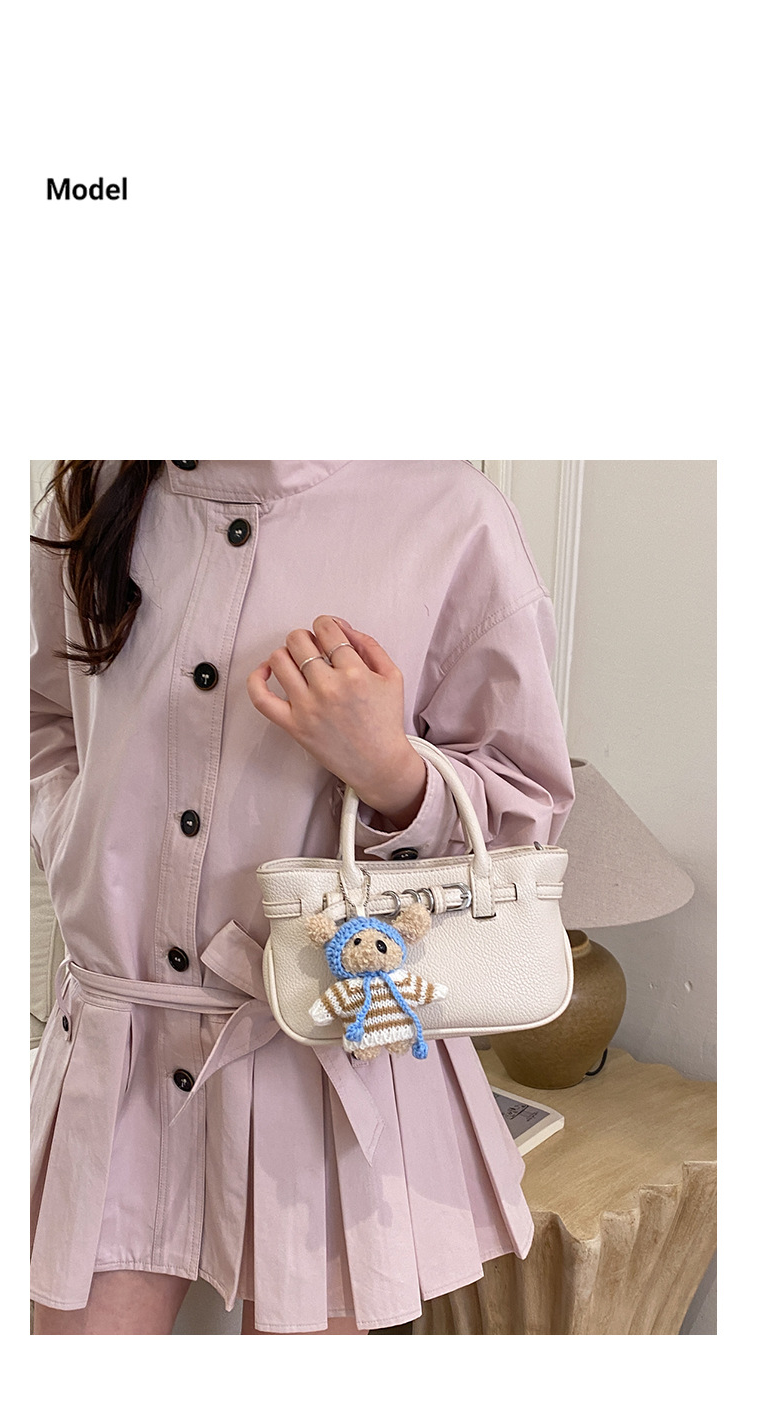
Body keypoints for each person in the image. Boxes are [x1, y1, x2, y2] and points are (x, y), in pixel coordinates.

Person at [30, 459, 575, 1335]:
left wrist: (391, 771)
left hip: (326, 1055)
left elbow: (524, 813)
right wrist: (73, 841)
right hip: (114, 1049)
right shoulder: (95, 490)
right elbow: (43, 719)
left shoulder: (452, 517)